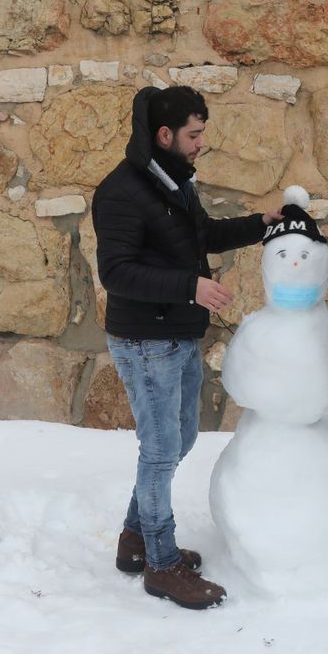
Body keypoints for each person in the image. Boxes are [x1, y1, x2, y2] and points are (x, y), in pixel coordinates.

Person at [93, 85, 280, 610]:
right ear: (165, 134)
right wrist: (190, 286)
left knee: (182, 439)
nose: (201, 144)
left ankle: (135, 539)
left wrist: (261, 224)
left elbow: (204, 238)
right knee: (159, 451)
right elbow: (117, 272)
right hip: (145, 340)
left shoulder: (172, 181)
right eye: (194, 135)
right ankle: (161, 562)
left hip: (177, 333)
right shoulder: (122, 191)